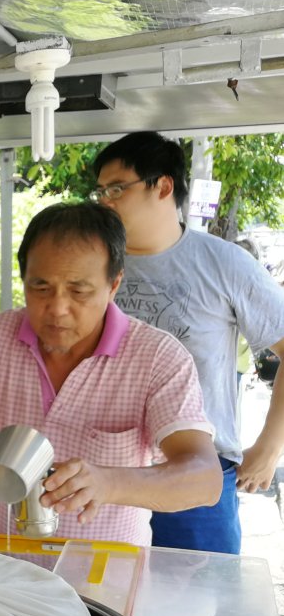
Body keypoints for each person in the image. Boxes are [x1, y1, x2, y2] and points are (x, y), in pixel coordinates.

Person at [0, 202, 221, 546]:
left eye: (79, 291)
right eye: (40, 287)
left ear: (114, 285)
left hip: (105, 582)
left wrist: (109, 482)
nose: (57, 309)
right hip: (1, 573)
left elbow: (204, 479)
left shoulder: (156, 357)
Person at [92, 131, 284, 553]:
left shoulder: (224, 263)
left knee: (196, 609)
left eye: (117, 188)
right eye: (101, 191)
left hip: (197, 474)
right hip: (107, 473)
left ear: (162, 186)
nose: (106, 200)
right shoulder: (93, 265)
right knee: (105, 608)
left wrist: (270, 446)